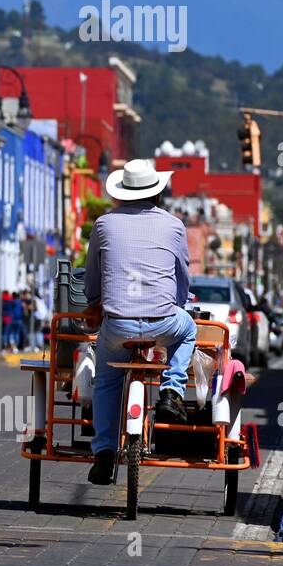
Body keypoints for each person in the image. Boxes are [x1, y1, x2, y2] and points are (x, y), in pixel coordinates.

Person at [83, 159, 194, 485]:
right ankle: (171, 391)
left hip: (117, 324)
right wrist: (179, 304)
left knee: (106, 380)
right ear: (156, 194)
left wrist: (94, 302)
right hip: (164, 321)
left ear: (122, 194)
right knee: (187, 330)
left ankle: (103, 451)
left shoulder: (104, 224)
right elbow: (182, 276)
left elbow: (92, 276)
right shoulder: (174, 225)